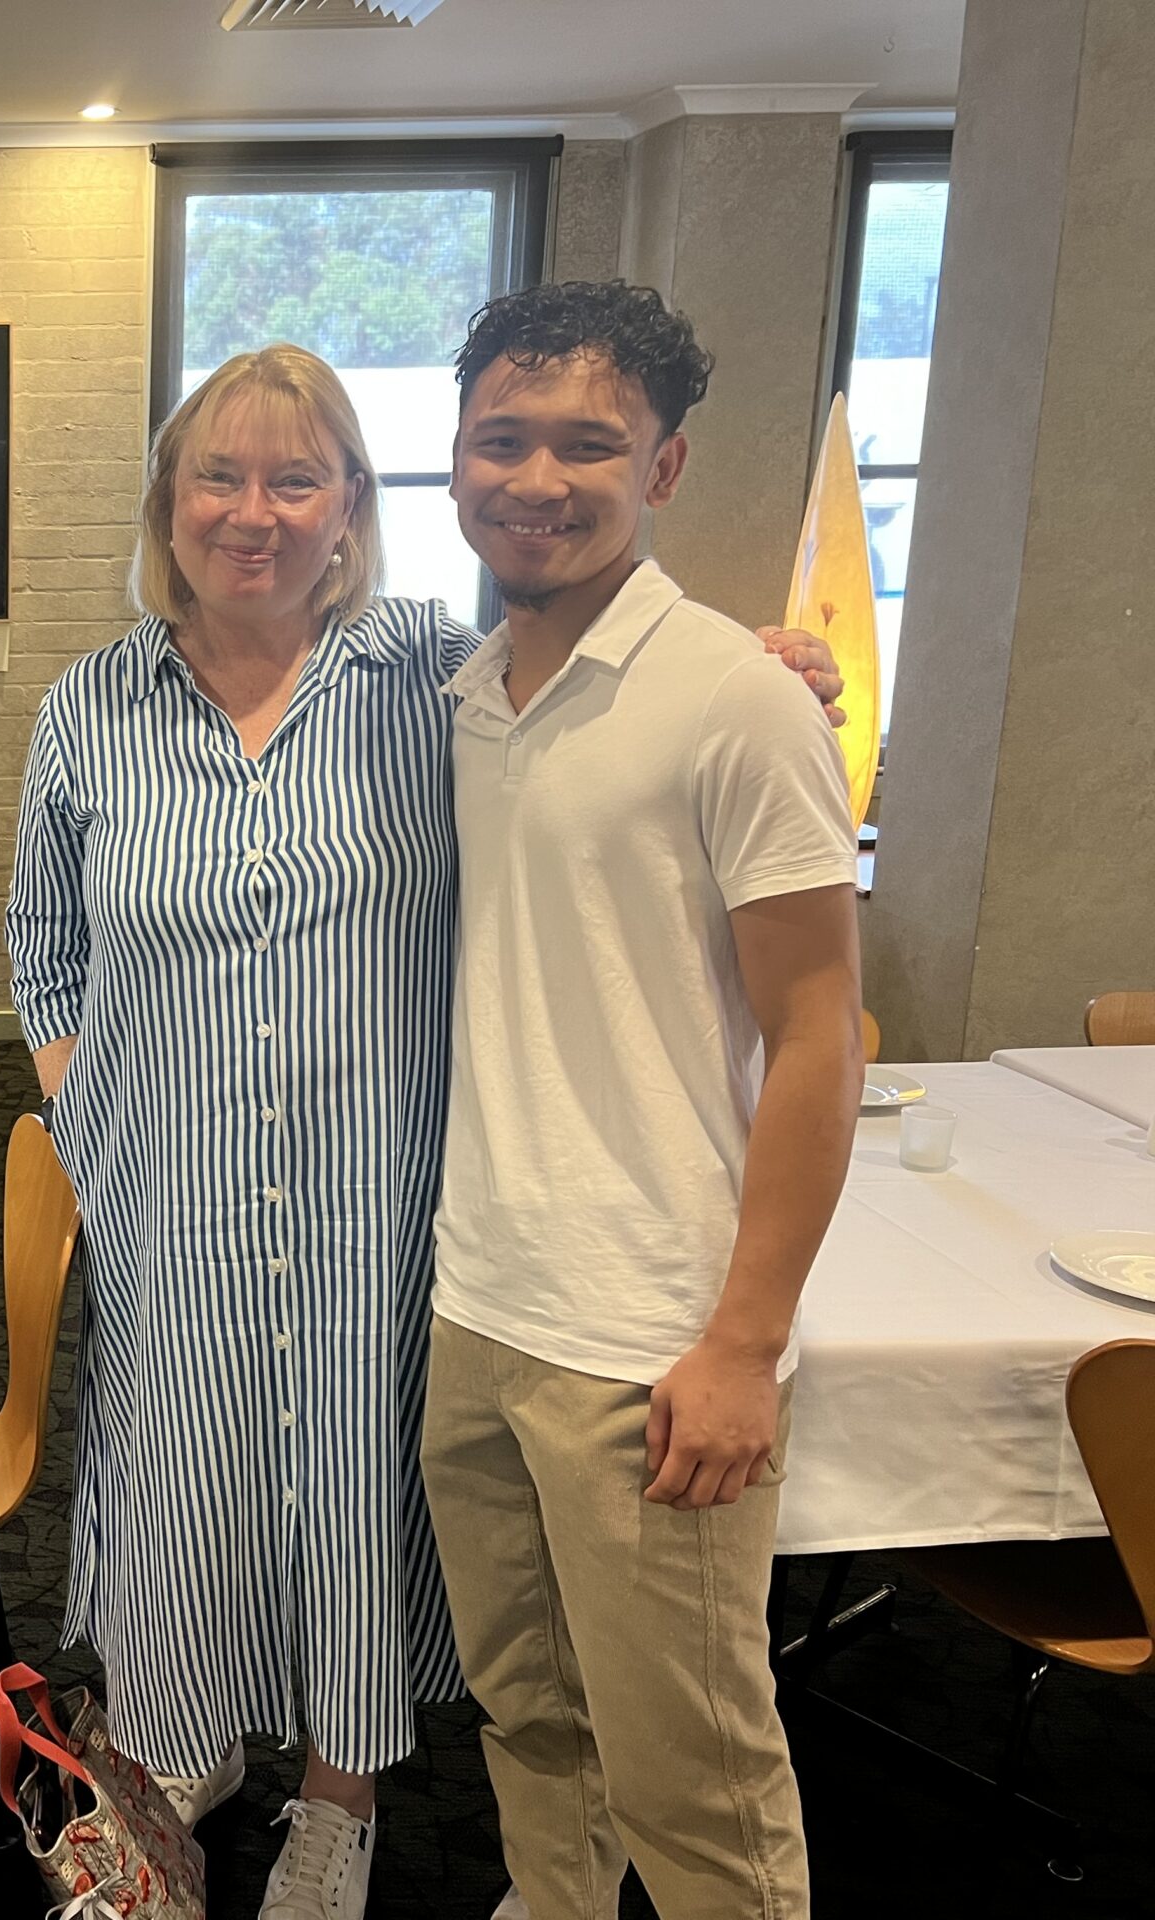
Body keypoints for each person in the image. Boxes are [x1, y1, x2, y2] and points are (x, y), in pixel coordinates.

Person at [5, 343, 842, 1920]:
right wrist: (90, 1103)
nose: (255, 514)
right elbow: (42, 941)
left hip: (391, 1206)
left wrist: (764, 665)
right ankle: (185, 1748)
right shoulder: (89, 707)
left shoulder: (426, 674)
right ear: (168, 505)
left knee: (352, 1492)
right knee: (183, 1479)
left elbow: (600, 690)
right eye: (219, 478)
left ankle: (341, 1795)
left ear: (352, 511)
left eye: (295, 479)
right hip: (169, 1191)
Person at [421, 281, 862, 1920]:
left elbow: (824, 1030)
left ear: (664, 470)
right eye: (502, 439)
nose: (537, 477)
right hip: (481, 1308)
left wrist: (744, 1342)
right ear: (454, 459)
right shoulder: (469, 695)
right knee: (530, 1717)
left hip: (653, 1339)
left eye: (589, 445)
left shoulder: (736, 698)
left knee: (697, 1779)